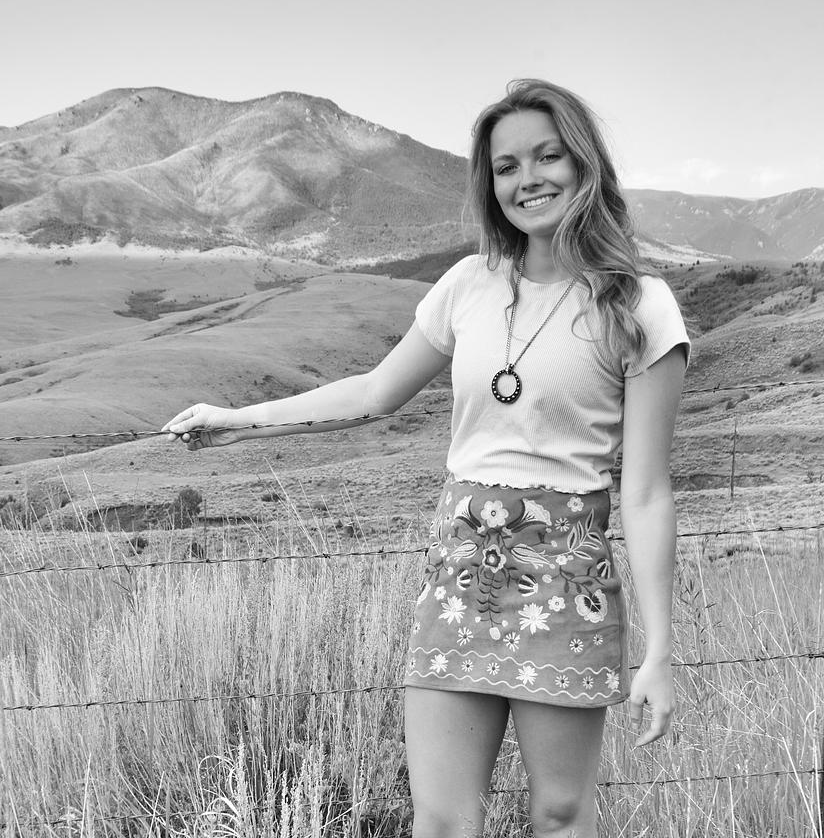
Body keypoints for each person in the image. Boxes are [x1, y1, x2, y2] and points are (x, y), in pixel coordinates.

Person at [162, 79, 689, 838]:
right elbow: (374, 392)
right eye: (506, 166)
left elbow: (644, 494)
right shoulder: (469, 284)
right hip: (460, 575)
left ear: (584, 164)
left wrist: (659, 651)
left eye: (548, 156)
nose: (528, 179)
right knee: (441, 820)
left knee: (562, 813)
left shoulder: (639, 305)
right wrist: (238, 421)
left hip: (567, 580)